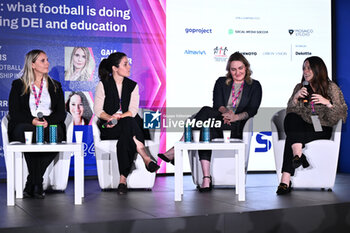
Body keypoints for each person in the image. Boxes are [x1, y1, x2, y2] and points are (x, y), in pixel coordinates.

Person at [158, 52, 262, 192]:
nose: (237, 72)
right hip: (220, 120)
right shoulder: (221, 82)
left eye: (240, 68)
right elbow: (217, 104)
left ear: (246, 68)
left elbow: (252, 110)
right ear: (229, 70)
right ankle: (206, 178)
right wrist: (226, 112)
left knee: (205, 113)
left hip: (236, 126)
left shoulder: (254, 86)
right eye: (233, 69)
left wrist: (234, 117)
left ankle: (179, 146)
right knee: (205, 129)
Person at [276, 56, 347, 195]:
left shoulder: (330, 87)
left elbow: (342, 113)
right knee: (291, 118)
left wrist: (327, 102)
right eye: (304, 68)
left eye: (309, 68)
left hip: (322, 127)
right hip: (303, 126)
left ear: (317, 69)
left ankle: (285, 179)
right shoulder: (300, 87)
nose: (305, 71)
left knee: (292, 138)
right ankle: (298, 154)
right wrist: (295, 98)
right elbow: (290, 111)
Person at [93, 52, 159, 195]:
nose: (129, 67)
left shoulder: (132, 85)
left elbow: (133, 111)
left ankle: (122, 179)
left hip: (128, 123)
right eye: (125, 64)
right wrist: (110, 117)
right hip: (111, 126)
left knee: (127, 128)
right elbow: (98, 110)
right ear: (115, 68)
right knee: (129, 128)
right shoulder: (103, 84)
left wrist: (120, 116)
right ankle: (145, 155)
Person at [8, 49, 66, 199]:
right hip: (27, 122)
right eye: (43, 60)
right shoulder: (18, 84)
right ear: (32, 64)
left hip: (48, 122)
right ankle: (37, 183)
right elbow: (14, 112)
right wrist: (32, 120)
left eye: (47, 60)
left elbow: (61, 113)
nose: (47, 63)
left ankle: (31, 182)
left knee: (57, 134)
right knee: (28, 132)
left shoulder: (55, 86)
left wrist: (48, 121)